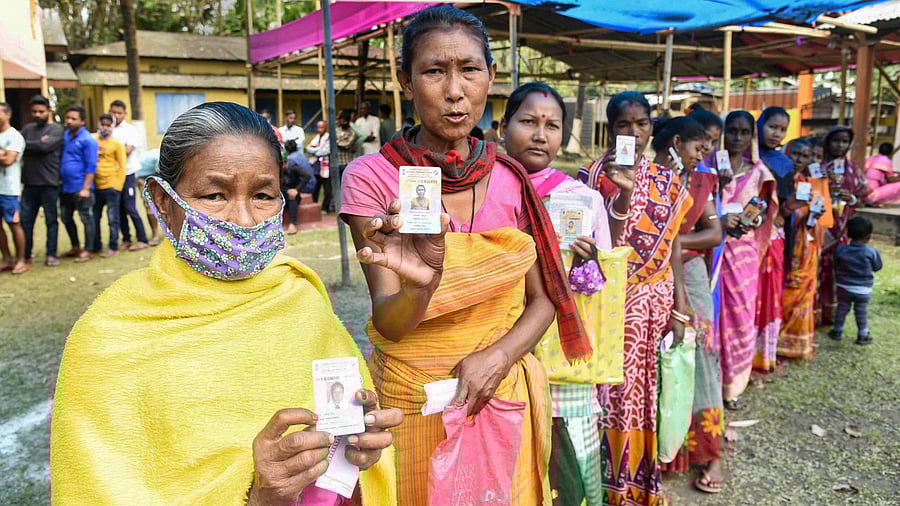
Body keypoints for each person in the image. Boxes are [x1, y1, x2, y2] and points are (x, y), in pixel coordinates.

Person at [51, 102, 400, 505]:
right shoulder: (111, 334)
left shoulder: (299, 298)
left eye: (263, 195)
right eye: (215, 194)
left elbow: (347, 472)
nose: (245, 219)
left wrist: (358, 448)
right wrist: (257, 498)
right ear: (162, 202)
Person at [341, 7, 592, 504]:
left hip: (500, 388)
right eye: (434, 71)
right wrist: (424, 281)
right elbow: (391, 325)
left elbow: (544, 301)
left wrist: (499, 357)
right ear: (406, 82)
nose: (455, 90)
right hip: (412, 397)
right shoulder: (372, 180)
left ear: (490, 78)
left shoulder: (512, 179)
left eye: (469, 70)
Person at [578, 92, 692, 506]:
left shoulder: (667, 180)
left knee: (642, 389)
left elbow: (675, 243)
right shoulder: (591, 176)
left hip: (651, 301)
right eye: (624, 125)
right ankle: (603, 481)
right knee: (606, 391)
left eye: (642, 124)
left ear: (652, 127)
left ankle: (637, 482)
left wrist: (680, 303)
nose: (635, 132)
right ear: (610, 130)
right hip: (606, 301)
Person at [503, 82, 613, 506]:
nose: (539, 134)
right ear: (503, 127)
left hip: (559, 355)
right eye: (528, 122)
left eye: (552, 125)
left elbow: (598, 286)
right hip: (497, 344)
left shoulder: (581, 197)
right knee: (510, 447)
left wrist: (587, 264)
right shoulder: (484, 191)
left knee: (567, 454)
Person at [659, 109, 727, 495]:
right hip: (651, 272)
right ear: (676, 144)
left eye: (707, 148)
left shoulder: (703, 180)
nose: (702, 155)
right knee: (657, 356)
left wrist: (673, 242)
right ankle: (664, 448)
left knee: (699, 352)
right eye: (697, 147)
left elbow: (714, 232)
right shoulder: (652, 177)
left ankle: (709, 451)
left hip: (691, 272)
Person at [709, 110, 777, 411]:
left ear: (753, 136)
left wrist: (752, 218)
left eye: (744, 132)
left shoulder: (759, 172)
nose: (737, 138)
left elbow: (766, 212)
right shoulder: (709, 166)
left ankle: (733, 384)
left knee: (739, 314)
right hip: (712, 247)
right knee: (711, 314)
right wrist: (717, 185)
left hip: (743, 252)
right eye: (732, 131)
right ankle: (712, 381)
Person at [752, 107, 798, 378]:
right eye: (772, 126)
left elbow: (786, 205)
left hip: (774, 236)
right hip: (743, 235)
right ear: (760, 125)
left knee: (768, 291)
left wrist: (786, 211)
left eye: (782, 129)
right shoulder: (746, 156)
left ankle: (763, 354)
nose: (776, 133)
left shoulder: (784, 163)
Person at [779, 137, 832, 360]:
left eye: (805, 156)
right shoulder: (779, 180)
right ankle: (777, 341)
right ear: (787, 153)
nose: (801, 159)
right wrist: (788, 209)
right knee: (784, 294)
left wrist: (813, 217)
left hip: (805, 248)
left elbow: (808, 221)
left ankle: (795, 344)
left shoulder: (806, 183)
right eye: (796, 154)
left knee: (802, 295)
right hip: (783, 246)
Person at [816, 126, 872, 325]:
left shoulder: (852, 168)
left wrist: (853, 199)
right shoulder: (817, 164)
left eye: (844, 141)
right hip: (817, 223)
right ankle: (812, 311)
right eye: (836, 140)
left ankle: (830, 314)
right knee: (815, 266)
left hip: (841, 228)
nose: (840, 145)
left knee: (836, 267)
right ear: (827, 141)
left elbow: (864, 193)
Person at [20, 95, 64, 267]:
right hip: (30, 183)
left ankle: (51, 254)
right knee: (26, 221)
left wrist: (32, 145)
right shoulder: (27, 129)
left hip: (49, 183)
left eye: (41, 111)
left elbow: (44, 147)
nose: (37, 114)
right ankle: (26, 254)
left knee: (51, 220)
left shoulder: (56, 129)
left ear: (48, 111)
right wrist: (36, 144)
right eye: (34, 112)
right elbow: (21, 145)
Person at [828, 216, 882, 345]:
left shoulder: (840, 250)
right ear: (868, 237)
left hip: (843, 286)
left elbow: (836, 264)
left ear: (848, 233)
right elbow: (877, 267)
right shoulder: (871, 252)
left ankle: (837, 331)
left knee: (842, 308)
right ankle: (863, 335)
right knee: (861, 311)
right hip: (863, 289)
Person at [109, 100, 150, 252]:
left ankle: (142, 238)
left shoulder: (130, 131)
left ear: (124, 114)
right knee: (118, 208)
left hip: (128, 173)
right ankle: (126, 239)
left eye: (119, 113)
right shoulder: (108, 129)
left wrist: (110, 151)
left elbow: (127, 151)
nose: (116, 116)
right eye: (113, 112)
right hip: (113, 175)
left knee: (130, 207)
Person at [60, 105, 97, 263]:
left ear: (82, 121)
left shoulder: (88, 140)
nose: (68, 121)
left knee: (86, 218)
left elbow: (91, 166)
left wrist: (85, 188)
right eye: (67, 118)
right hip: (65, 187)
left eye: (73, 119)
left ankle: (89, 249)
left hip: (81, 187)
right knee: (66, 217)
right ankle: (75, 246)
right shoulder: (65, 135)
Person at [90, 113, 127, 257]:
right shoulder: (92, 139)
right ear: (98, 124)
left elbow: (122, 166)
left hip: (111, 186)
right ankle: (96, 245)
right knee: (94, 217)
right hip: (95, 186)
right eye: (102, 124)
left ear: (113, 126)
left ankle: (113, 246)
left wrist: (118, 186)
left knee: (113, 219)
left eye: (108, 125)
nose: (104, 128)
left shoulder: (117, 143)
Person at [0, 102, 28, 274]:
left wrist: (5, 155)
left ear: (7, 114)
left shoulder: (14, 136)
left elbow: (9, 160)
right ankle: (7, 258)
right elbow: (4, 156)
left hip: (9, 190)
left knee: (14, 224)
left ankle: (21, 259)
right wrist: (2, 153)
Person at [283, 139, 314, 234]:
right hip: (283, 192)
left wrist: (296, 190)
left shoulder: (292, 164)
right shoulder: (277, 170)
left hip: (302, 188)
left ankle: (292, 224)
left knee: (293, 196)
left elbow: (307, 176)